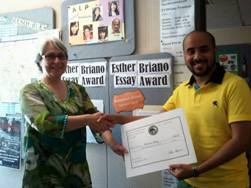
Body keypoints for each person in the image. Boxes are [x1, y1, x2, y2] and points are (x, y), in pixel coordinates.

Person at [104, 30, 251, 188]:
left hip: (226, 183)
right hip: (188, 181)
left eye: (204, 49)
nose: (197, 56)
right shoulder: (182, 90)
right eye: (191, 51)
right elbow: (156, 122)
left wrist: (197, 170)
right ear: (184, 55)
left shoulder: (235, 86)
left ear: (214, 51)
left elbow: (240, 141)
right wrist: (120, 119)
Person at [20, 38, 127, 188]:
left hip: (76, 174)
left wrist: (114, 145)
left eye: (62, 56)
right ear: (39, 60)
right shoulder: (30, 91)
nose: (57, 61)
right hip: (43, 175)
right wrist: (88, 119)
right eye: (50, 56)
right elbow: (44, 123)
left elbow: (98, 120)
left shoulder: (77, 90)